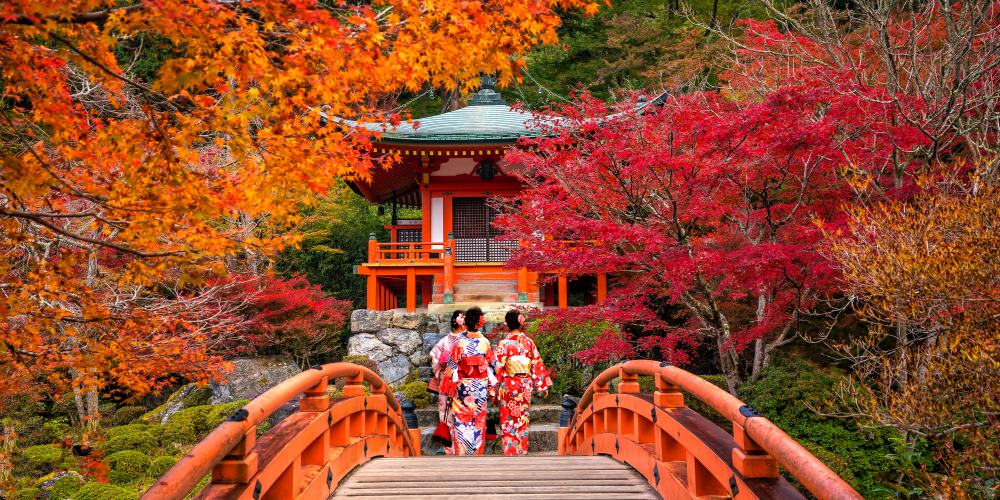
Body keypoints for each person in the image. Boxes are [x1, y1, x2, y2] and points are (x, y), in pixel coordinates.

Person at [493, 309, 551, 455]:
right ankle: (521, 450)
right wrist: (542, 385)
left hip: (508, 385)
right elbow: (536, 363)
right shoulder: (529, 343)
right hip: (525, 385)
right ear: (521, 322)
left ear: (507, 324)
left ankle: (509, 450)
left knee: (507, 419)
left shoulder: (503, 344)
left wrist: (493, 389)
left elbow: (498, 368)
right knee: (523, 417)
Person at [446, 306, 497, 455]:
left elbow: (451, 367)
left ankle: (462, 453)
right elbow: (493, 367)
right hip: (480, 388)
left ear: (467, 323)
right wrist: (492, 389)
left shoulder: (459, 342)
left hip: (462, 388)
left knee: (461, 421)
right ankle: (476, 454)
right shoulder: (485, 343)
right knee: (478, 423)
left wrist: (447, 390)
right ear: (479, 323)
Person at [428, 310, 465, 454]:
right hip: (448, 381)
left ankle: (461, 447)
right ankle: (450, 449)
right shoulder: (445, 341)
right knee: (446, 414)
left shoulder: (467, 340)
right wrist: (442, 366)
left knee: (461, 414)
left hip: (461, 382)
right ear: (459, 323)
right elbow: (434, 357)